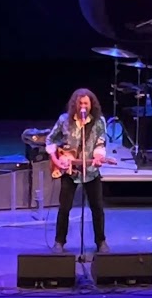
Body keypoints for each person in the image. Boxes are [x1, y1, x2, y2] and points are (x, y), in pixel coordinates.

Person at [45, 88, 109, 254]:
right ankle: (59, 241)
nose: (83, 106)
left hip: (91, 170)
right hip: (69, 171)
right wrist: (56, 160)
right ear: (75, 104)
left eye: (86, 103)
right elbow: (50, 139)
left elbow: (101, 143)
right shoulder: (64, 120)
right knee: (64, 207)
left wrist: (98, 156)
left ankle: (101, 241)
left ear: (91, 105)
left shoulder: (99, 122)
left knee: (97, 207)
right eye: (80, 103)